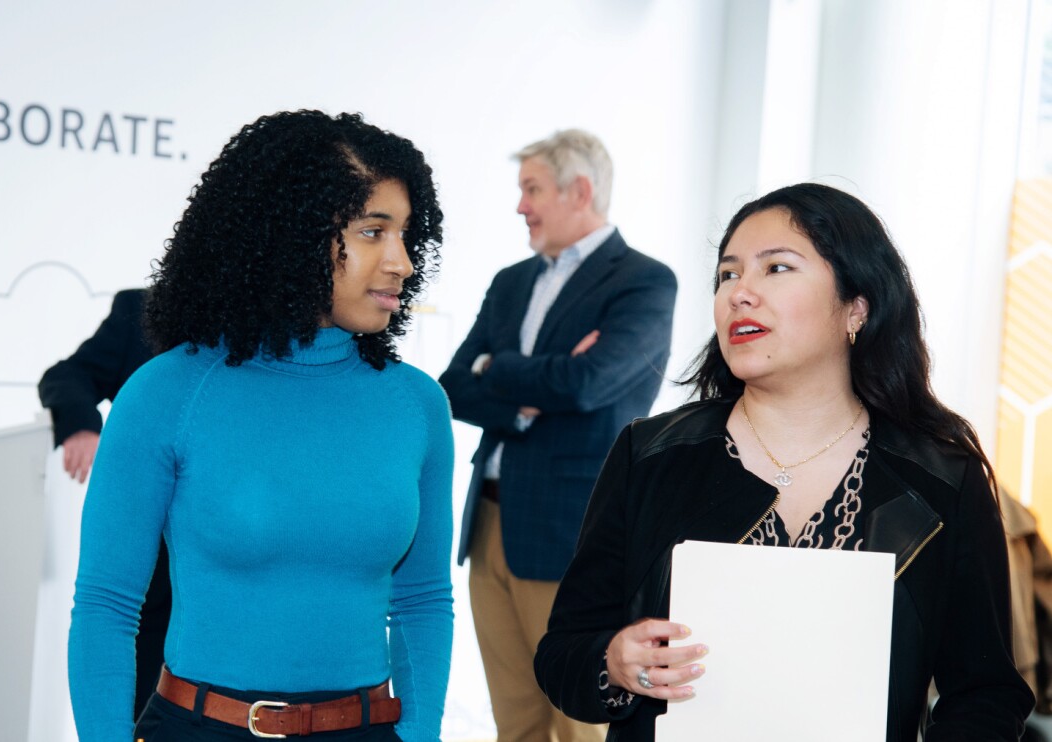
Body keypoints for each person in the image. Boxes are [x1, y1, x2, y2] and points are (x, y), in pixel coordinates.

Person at [534, 183, 1035, 740]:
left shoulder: (942, 477)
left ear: (857, 306)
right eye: (728, 275)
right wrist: (614, 664)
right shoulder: (649, 455)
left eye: (776, 268)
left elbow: (986, 694)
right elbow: (562, 655)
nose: (739, 294)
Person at [68, 110, 454, 742]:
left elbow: (422, 603)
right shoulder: (169, 392)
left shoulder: (417, 405)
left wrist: (418, 738)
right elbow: (107, 608)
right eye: (373, 232)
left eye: (406, 233)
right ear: (292, 235)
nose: (402, 262)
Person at [438, 129, 676, 742]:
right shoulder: (511, 280)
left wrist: (501, 367)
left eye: (532, 189)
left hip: (571, 529)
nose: (521, 205)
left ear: (581, 190)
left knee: (577, 725)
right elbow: (454, 384)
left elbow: (586, 384)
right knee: (513, 719)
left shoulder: (644, 282)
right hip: (490, 527)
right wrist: (520, 401)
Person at [38, 287, 169, 720]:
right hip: (154, 579)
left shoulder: (288, 321)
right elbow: (66, 376)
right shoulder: (142, 311)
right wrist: (81, 425)